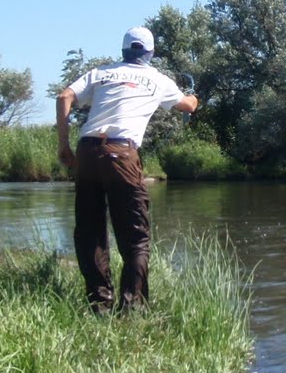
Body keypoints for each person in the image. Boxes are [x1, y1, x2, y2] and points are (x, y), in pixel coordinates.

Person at [56, 26, 198, 312]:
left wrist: (63, 146)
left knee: (90, 231)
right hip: (122, 154)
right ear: (150, 52)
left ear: (123, 51)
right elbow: (187, 106)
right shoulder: (157, 79)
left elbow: (63, 97)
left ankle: (100, 305)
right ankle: (132, 308)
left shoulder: (100, 73)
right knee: (136, 236)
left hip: (86, 151)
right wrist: (194, 96)